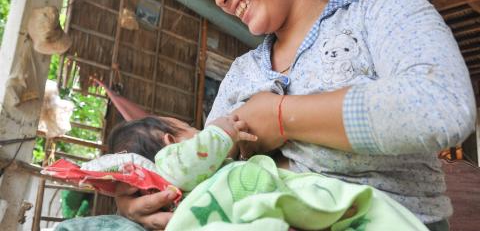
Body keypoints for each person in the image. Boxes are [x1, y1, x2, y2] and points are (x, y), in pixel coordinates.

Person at [115, 0, 476, 231]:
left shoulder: (378, 11)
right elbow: (209, 182)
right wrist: (150, 198)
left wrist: (280, 117)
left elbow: (440, 106)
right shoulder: (242, 73)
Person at [58, 116, 428, 231]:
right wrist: (222, 131)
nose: (201, 130)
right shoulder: (174, 164)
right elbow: (189, 160)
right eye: (191, 127)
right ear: (170, 142)